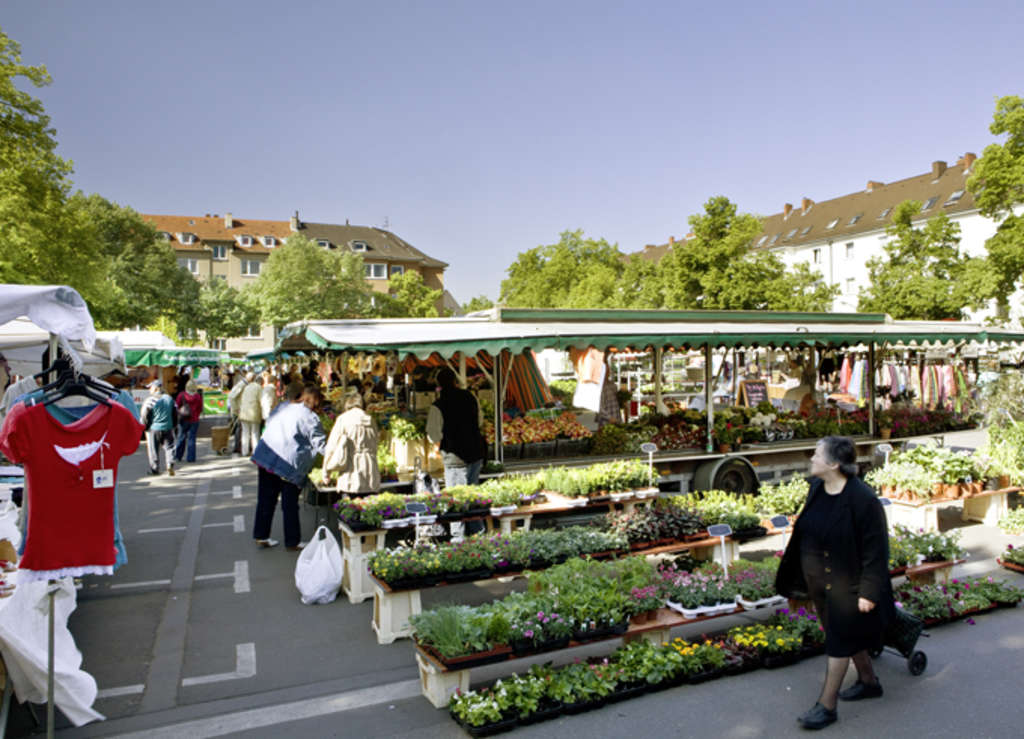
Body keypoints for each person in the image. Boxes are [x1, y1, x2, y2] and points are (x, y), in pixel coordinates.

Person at [775, 436, 895, 730]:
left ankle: (826, 706)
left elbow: (876, 550)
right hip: (818, 581)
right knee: (840, 634)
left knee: (838, 642)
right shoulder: (817, 488)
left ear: (833, 463)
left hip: (848, 585)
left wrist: (869, 591)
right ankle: (869, 682)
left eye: (817, 455)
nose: (811, 459)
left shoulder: (862, 500)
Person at [250, 382, 326, 551]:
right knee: (290, 503)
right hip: (288, 462)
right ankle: (292, 541)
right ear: (314, 401)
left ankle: (261, 535)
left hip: (266, 455)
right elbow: (321, 444)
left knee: (266, 499)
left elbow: (269, 423)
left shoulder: (283, 406)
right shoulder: (309, 417)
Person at [426, 368, 485, 488]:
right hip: (475, 452)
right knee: (473, 497)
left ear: (438, 385)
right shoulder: (471, 397)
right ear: (455, 381)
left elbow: (433, 434)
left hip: (455, 459)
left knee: (458, 500)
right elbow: (480, 421)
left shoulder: (438, 405)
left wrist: (439, 447)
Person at [322, 392, 380, 495]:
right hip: (370, 467)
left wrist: (326, 472)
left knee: (350, 507)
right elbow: (376, 443)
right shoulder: (370, 420)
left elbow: (332, 446)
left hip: (350, 467)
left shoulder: (343, 419)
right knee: (368, 506)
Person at [140, 380, 176, 475]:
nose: (149, 391)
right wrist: (174, 425)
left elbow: (144, 415)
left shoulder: (150, 400)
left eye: (150, 388)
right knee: (169, 447)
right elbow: (175, 413)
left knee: (153, 449)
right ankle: (170, 465)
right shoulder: (169, 398)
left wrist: (145, 426)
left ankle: (155, 469)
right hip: (168, 427)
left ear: (156, 388)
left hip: (154, 428)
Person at [174, 380, 203, 464]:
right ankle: (191, 458)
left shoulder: (181, 395)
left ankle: (178, 456)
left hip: (184, 419)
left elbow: (177, 406)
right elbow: (200, 408)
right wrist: (196, 415)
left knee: (181, 437)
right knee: (192, 439)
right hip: (194, 420)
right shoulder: (197, 396)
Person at [238, 371, 263, 455]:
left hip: (244, 412)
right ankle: (255, 451)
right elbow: (262, 400)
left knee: (245, 432)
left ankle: (244, 451)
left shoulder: (245, 387)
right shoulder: (258, 387)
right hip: (254, 412)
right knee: (255, 432)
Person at [227, 370, 247, 454]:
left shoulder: (242, 384)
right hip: (237, 411)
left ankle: (238, 446)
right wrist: (236, 409)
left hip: (238, 410)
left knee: (239, 429)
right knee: (238, 429)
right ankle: (237, 447)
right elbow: (231, 397)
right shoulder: (241, 385)